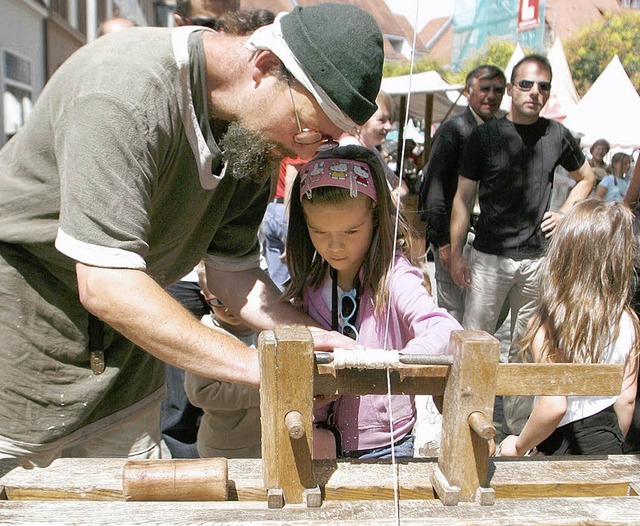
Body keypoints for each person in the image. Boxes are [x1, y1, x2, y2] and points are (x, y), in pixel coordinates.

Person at [0, 3, 384, 467]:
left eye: (323, 142)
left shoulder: (255, 135)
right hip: (24, 361)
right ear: (264, 66)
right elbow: (106, 284)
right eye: (307, 129)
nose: (304, 153)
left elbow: (233, 278)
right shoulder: (121, 91)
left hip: (125, 373)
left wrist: (315, 337)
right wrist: (265, 367)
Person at [284, 145, 462, 459]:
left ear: (376, 219)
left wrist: (392, 365)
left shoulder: (395, 277)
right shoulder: (311, 284)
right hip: (320, 439)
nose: (335, 245)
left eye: (351, 231)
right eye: (318, 230)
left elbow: (444, 329)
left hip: (385, 444)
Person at [450, 54, 596, 435]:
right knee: (475, 345)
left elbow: (587, 177)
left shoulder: (555, 134)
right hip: (488, 259)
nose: (535, 92)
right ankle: (466, 421)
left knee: (524, 349)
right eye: (527, 84)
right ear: (512, 89)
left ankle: (517, 435)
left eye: (543, 86)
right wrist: (455, 253)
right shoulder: (485, 136)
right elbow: (462, 198)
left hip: (536, 262)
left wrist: (565, 212)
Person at [159, 0, 274, 459]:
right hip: (184, 280)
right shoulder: (172, 99)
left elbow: (238, 255)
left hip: (231, 279)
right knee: (177, 396)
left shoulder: (252, 141)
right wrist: (267, 380)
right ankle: (183, 468)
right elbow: (200, 388)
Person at [499, 199, 639, 456]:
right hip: (609, 444)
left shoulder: (551, 321)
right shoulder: (628, 320)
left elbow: (554, 406)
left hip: (561, 445)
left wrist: (518, 445)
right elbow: (626, 401)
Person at [419, 64, 506, 323]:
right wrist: (443, 241)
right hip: (456, 237)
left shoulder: (503, 133)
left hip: (489, 241)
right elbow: (432, 186)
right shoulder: (453, 130)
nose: (491, 95)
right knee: (452, 317)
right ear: (469, 92)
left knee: (484, 318)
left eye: (498, 90)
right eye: (484, 89)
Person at [185, 272, 260, 459]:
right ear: (204, 296)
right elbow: (200, 393)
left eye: (235, 297)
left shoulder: (267, 327)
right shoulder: (203, 336)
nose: (228, 307)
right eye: (218, 301)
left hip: (270, 442)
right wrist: (262, 393)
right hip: (224, 447)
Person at [339, 91, 409, 204]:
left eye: (390, 120)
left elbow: (400, 185)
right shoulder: (351, 149)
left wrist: (395, 197)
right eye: (382, 120)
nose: (388, 126)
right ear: (361, 120)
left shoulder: (371, 149)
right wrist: (395, 198)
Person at [260, 157, 304, 291]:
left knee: (278, 282)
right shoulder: (301, 144)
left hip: (271, 209)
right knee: (297, 281)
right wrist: (291, 229)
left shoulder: (282, 143)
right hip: (286, 212)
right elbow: (291, 181)